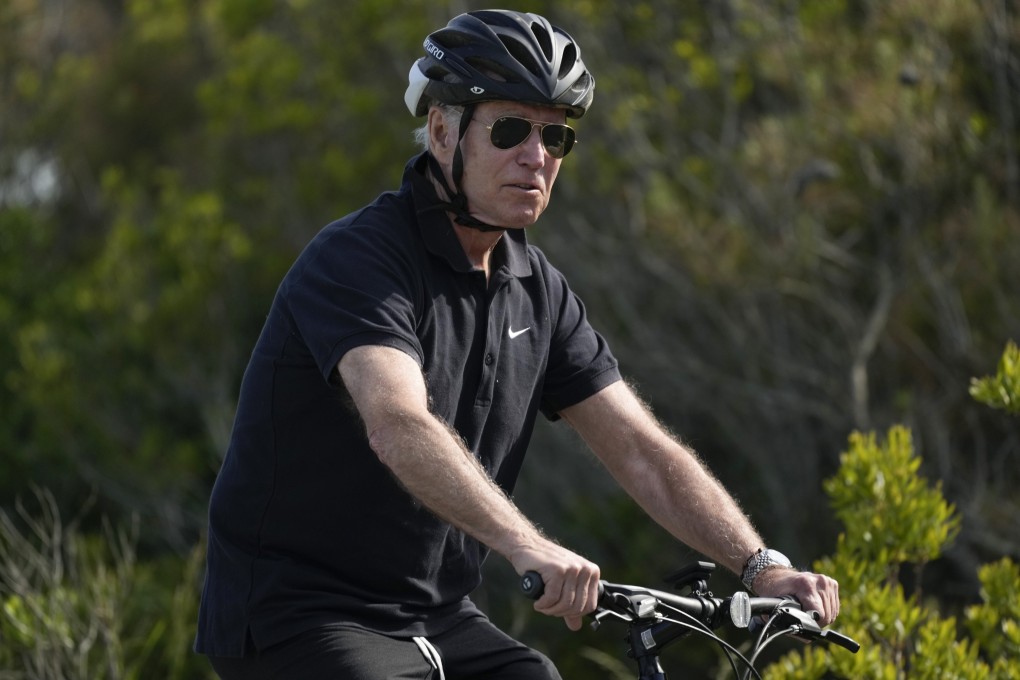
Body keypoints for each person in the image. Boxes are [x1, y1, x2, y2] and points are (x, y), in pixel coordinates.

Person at [195, 9, 840, 679]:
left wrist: (760, 567)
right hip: (299, 613)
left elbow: (642, 451)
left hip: (437, 615)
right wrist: (527, 545)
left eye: (555, 136)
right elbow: (397, 423)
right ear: (442, 131)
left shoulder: (537, 291)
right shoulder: (361, 260)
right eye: (509, 130)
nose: (536, 157)